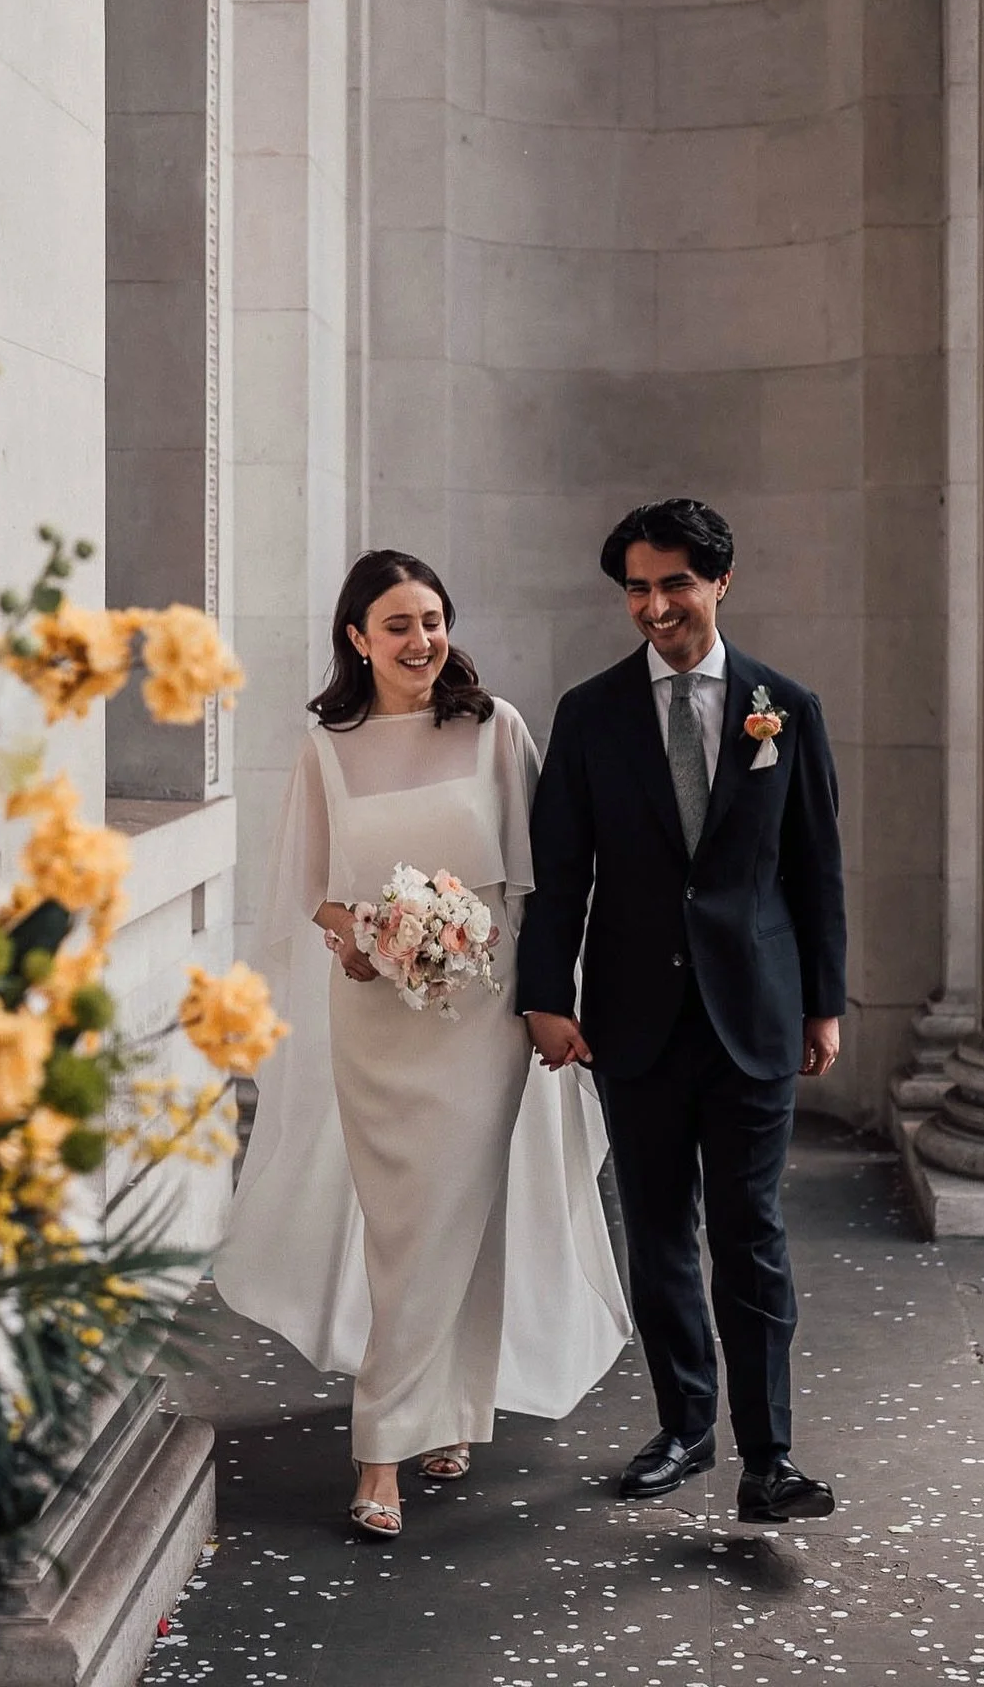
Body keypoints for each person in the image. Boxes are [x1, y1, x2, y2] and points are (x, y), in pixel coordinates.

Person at [215, 550, 629, 1540]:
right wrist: (362, 936)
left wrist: (545, 999)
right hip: (377, 1018)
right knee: (409, 1227)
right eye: (396, 624)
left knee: (463, 1216)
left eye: (433, 619)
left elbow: (541, 878)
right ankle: (420, 1417)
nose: (420, 640)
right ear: (357, 639)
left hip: (482, 1017)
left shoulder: (495, 729)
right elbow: (305, 885)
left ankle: (391, 1448)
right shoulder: (325, 742)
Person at [516, 499, 847, 1525]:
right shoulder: (590, 713)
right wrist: (544, 997)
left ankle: (770, 1460)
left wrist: (824, 1006)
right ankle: (685, 1429)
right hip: (634, 1016)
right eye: (637, 588)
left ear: (721, 581)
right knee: (658, 1230)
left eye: (674, 585)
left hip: (755, 1009)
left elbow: (816, 871)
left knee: (748, 1233)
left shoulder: (786, 707)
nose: (655, 605)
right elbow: (559, 873)